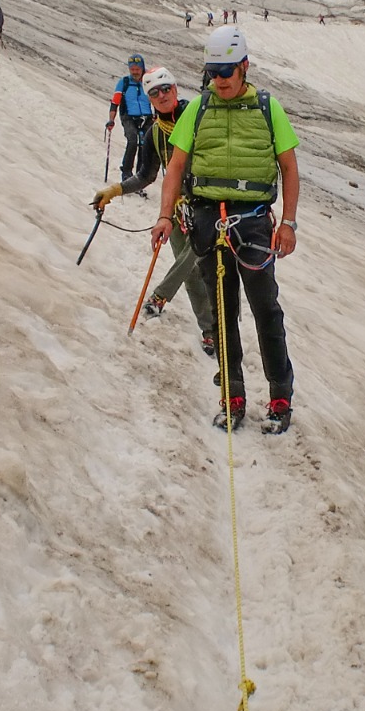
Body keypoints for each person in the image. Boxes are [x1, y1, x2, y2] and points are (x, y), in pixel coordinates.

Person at [151, 25, 299, 433]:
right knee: (223, 313)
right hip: (207, 221)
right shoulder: (198, 110)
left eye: (227, 71)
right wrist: (165, 215)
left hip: (253, 224)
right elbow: (176, 167)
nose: (220, 79)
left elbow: (289, 167)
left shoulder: (269, 108)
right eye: (214, 71)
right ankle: (233, 396)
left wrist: (288, 222)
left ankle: (280, 396)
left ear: (244, 67)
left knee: (266, 310)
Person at [91, 67, 213, 354]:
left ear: (175, 89)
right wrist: (114, 190)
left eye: (166, 89)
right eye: (154, 93)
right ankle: (210, 331)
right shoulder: (154, 134)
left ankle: (160, 296)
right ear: (149, 99)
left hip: (208, 206)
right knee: (193, 274)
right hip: (176, 209)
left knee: (194, 257)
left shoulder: (199, 117)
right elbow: (146, 175)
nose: (161, 95)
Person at [107, 54, 154, 186]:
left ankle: (141, 176)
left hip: (147, 118)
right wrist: (111, 120)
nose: (134, 72)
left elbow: (156, 99)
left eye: (137, 69)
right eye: (132, 69)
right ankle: (126, 173)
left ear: (142, 68)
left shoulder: (148, 82)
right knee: (132, 140)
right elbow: (115, 102)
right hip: (128, 117)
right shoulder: (124, 82)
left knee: (145, 146)